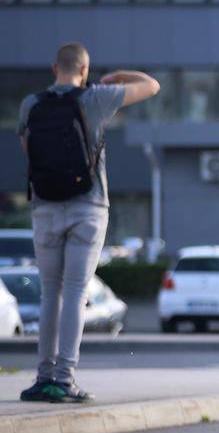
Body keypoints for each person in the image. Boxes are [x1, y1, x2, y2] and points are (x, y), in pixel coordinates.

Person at [16, 43, 160, 403]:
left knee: (51, 293)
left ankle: (43, 376)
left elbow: (26, 149)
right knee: (76, 294)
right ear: (84, 68)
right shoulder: (96, 97)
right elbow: (152, 86)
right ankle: (64, 379)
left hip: (45, 207)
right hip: (88, 207)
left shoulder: (31, 104)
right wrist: (118, 78)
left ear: (54, 68)